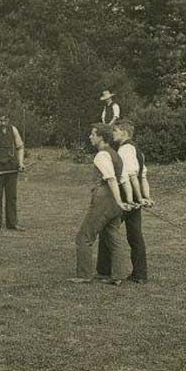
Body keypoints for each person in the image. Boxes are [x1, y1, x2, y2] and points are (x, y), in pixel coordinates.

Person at [69, 123, 131, 286]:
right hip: (115, 202)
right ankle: (118, 275)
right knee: (113, 237)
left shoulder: (101, 155)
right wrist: (126, 201)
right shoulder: (116, 155)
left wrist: (118, 201)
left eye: (93, 134)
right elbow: (123, 180)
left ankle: (84, 275)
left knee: (83, 237)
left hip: (104, 199)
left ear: (101, 138)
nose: (90, 137)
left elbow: (111, 179)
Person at [98, 120, 152, 284]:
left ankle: (106, 272)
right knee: (135, 235)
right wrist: (143, 197)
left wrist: (127, 200)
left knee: (108, 231)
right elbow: (143, 177)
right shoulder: (137, 150)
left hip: (125, 197)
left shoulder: (125, 149)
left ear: (124, 132)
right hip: (134, 198)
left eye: (115, 130)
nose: (112, 133)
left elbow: (130, 176)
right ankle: (140, 274)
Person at [0, 110, 26, 231]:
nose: (3, 123)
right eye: (0, 120)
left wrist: (21, 163)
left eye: (5, 120)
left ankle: (12, 223)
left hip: (12, 168)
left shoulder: (13, 130)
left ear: (8, 120)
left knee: (11, 196)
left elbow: (20, 147)